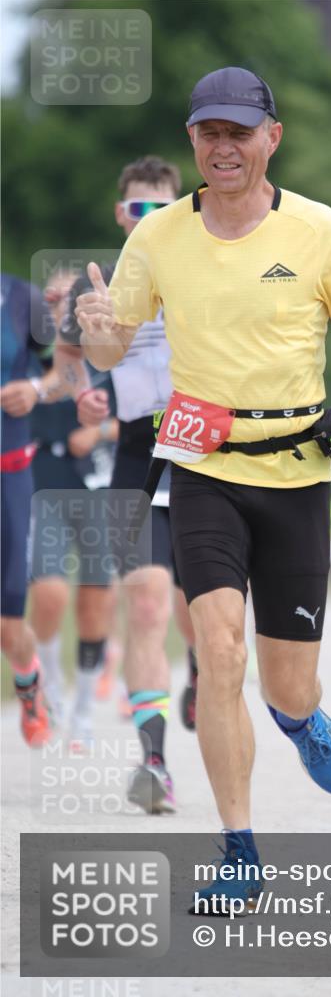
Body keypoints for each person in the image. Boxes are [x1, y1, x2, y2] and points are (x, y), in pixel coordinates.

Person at [75, 66, 331, 909]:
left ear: (272, 138)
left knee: (284, 683)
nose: (223, 147)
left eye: (239, 132)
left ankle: (299, 719)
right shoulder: (158, 238)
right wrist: (99, 332)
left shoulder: (319, 230)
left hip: (295, 474)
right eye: (208, 133)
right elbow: (113, 347)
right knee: (218, 653)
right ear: (193, 141)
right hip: (201, 467)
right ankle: (239, 851)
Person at [58, 156, 197, 812]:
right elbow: (68, 359)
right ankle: (154, 763)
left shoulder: (205, 271)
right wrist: (82, 397)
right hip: (136, 458)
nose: (150, 218)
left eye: (162, 208)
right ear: (122, 214)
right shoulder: (98, 287)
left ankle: (201, 671)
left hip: (207, 455)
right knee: (146, 607)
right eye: (139, 208)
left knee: (205, 617)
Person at [29, 267, 118, 746]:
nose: (61, 303)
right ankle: (50, 684)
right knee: (50, 593)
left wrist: (99, 431)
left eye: (70, 295)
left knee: (95, 599)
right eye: (53, 296)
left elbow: (141, 418)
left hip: (98, 481)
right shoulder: (33, 353)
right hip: (44, 475)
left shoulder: (110, 349)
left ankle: (83, 709)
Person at [0, 272, 58, 746]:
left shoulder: (23, 300)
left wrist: (36, 388)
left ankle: (28, 679)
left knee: (7, 625)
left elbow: (68, 372)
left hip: (9, 473)